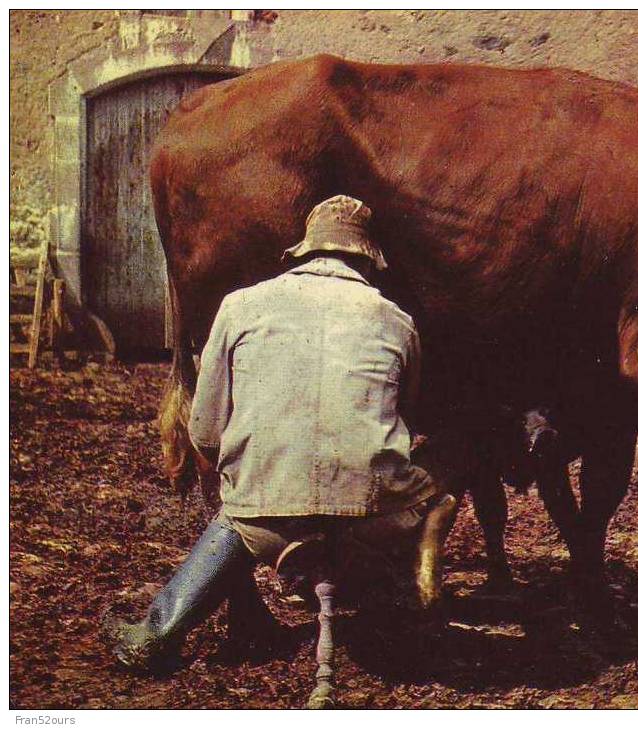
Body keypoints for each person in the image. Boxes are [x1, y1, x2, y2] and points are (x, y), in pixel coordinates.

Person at [104, 194, 457, 672]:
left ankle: (157, 633)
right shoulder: (397, 321)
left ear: (303, 251)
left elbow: (205, 430)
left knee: (235, 517)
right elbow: (403, 419)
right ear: (369, 259)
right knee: (436, 480)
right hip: (372, 524)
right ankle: (412, 600)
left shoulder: (240, 307)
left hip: (265, 529)